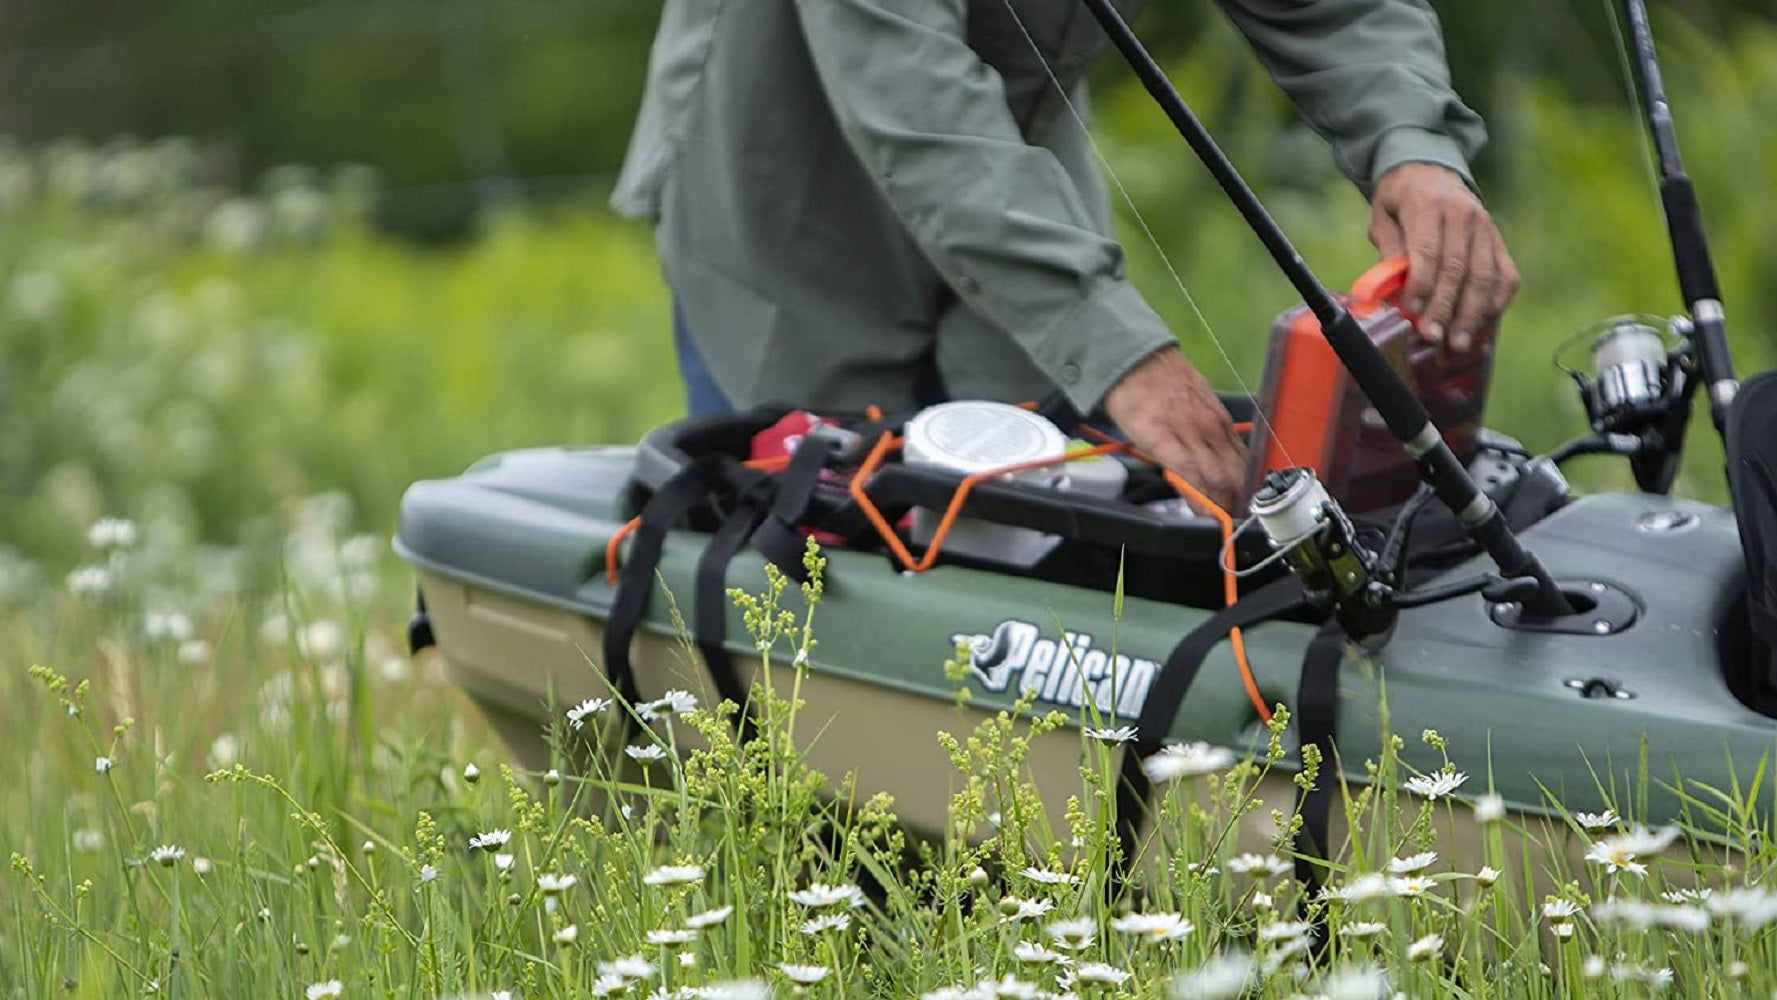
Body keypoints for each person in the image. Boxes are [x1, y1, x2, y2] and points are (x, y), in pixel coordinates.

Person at [611, 0, 1518, 514]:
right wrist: (1116, 352)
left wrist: (1412, 144)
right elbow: (913, 104)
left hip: (1017, 156)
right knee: (803, 563)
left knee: (1035, 539)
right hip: (782, 183)